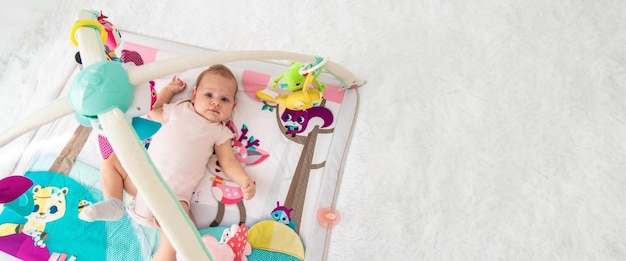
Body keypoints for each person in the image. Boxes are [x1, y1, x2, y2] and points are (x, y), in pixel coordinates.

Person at [79, 64, 256, 261]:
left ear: (233, 106)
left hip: (175, 199)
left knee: (178, 236)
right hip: (140, 183)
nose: (216, 103)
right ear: (194, 94)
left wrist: (244, 180)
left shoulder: (220, 131)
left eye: (224, 99)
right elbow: (154, 111)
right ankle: (114, 202)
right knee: (112, 161)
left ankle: (163, 257)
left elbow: (228, 161)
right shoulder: (179, 109)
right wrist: (168, 91)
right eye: (209, 95)